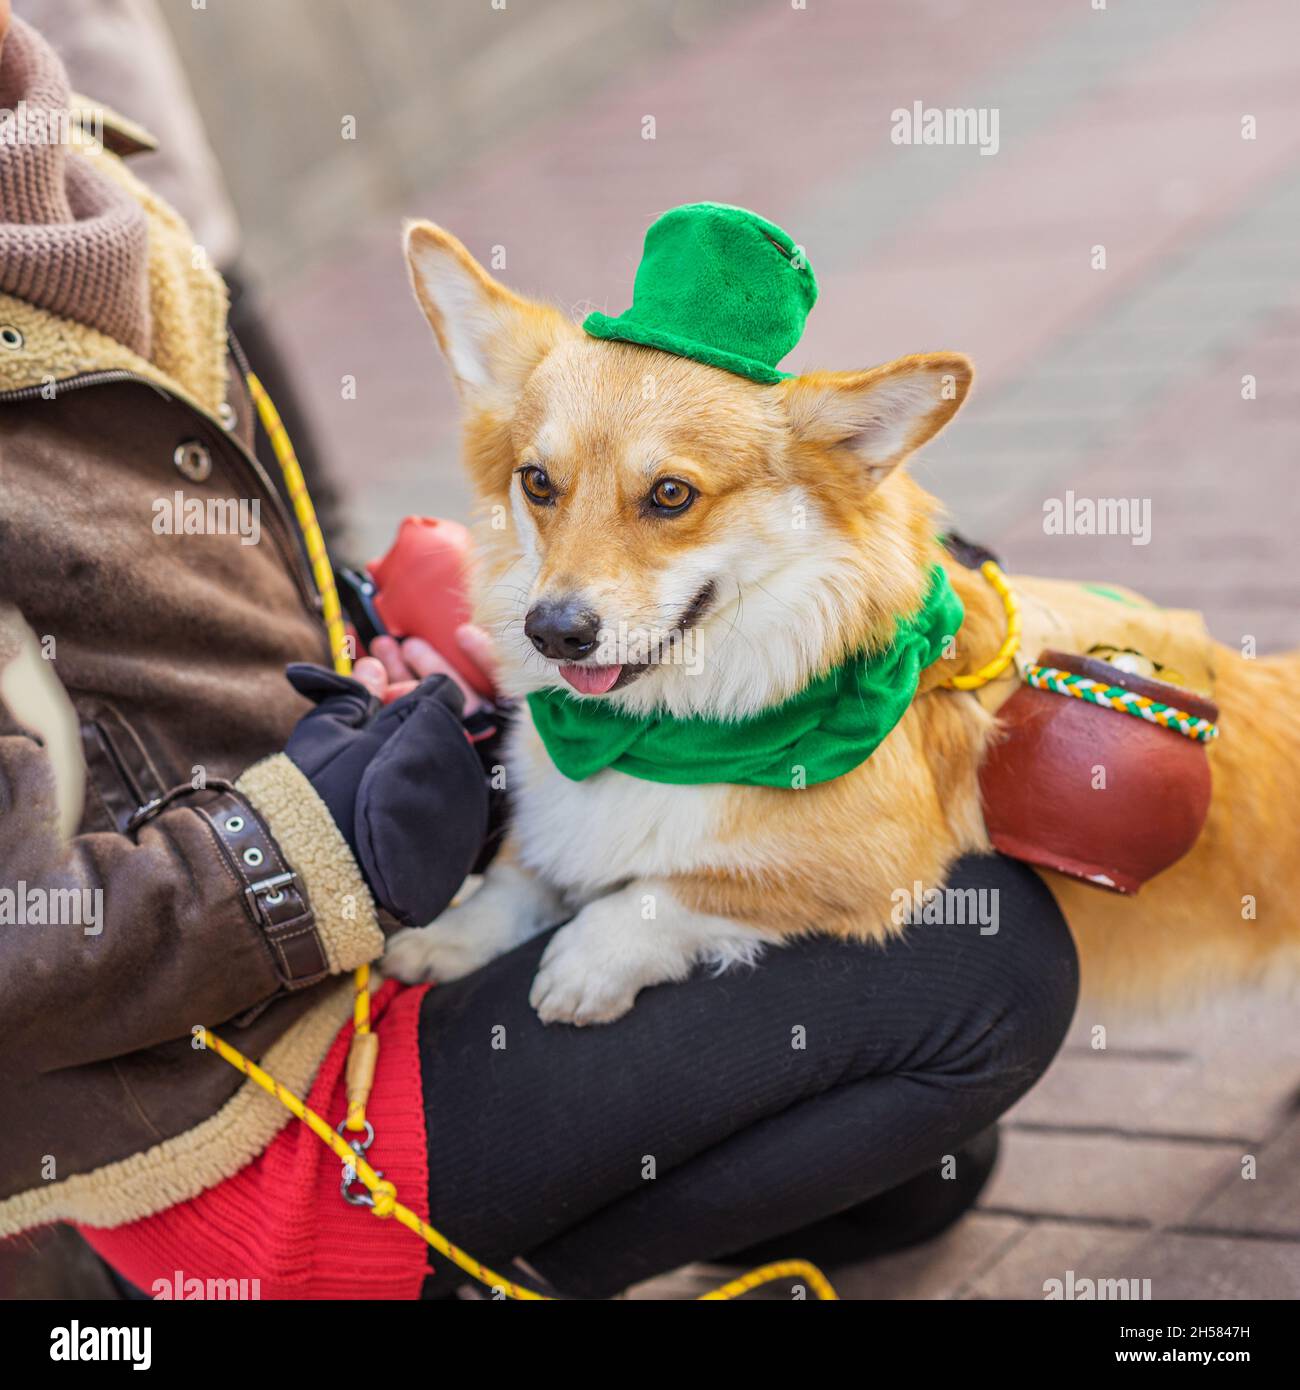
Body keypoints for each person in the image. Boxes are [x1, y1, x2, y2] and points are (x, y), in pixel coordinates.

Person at [0, 9, 1078, 1300]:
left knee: (927, 1172)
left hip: (382, 933)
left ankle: (543, 1206)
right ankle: (457, 1275)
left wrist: (372, 657)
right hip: (249, 1129)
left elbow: (167, 646)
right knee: (985, 962)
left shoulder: (80, 172)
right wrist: (297, 844)